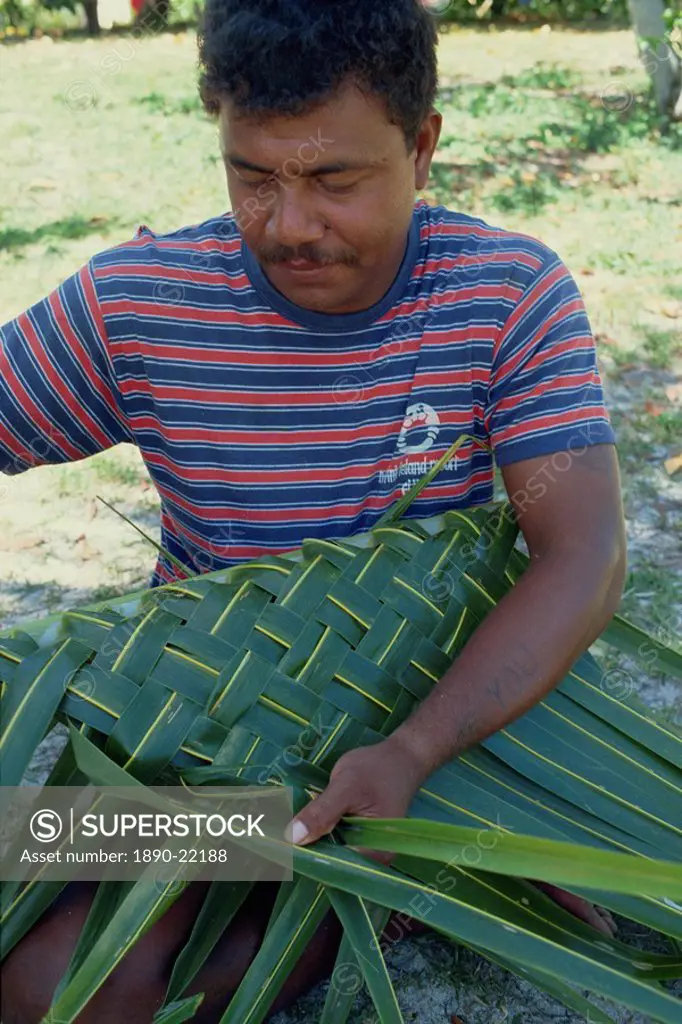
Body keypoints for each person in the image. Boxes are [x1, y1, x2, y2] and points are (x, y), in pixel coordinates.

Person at [0, 1, 626, 1021]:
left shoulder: (506, 294)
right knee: (43, 984)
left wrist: (416, 753)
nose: (289, 224)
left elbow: (584, 550)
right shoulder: (141, 305)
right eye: (253, 176)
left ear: (421, 147)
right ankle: (394, 892)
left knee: (92, 985)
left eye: (334, 180)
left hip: (440, 743)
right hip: (206, 747)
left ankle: (410, 882)